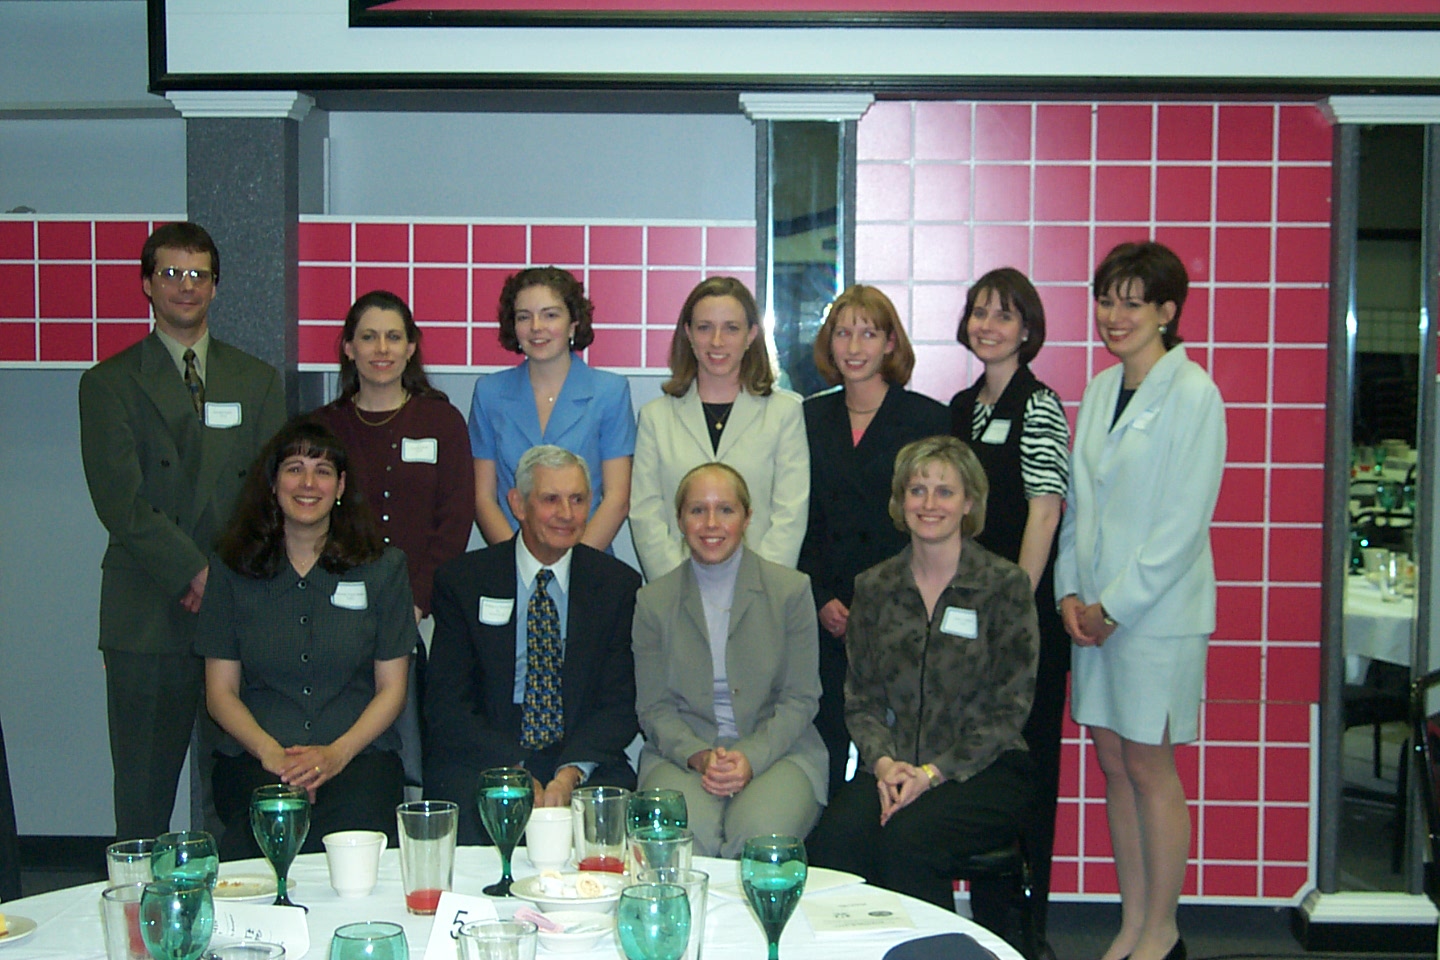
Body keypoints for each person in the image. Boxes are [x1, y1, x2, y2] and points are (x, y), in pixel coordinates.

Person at [79, 222, 285, 839]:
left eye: (198, 275)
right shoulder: (108, 383)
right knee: (143, 795)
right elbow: (122, 503)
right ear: (146, 284)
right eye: (170, 273)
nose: (185, 287)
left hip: (239, 607)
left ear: (216, 287)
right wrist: (192, 572)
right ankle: (138, 924)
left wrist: (221, 578)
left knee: (238, 789)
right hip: (148, 609)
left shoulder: (257, 380)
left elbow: (274, 496)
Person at [1057, 241, 1225, 960]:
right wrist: (1069, 591)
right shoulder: (1098, 391)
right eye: (1106, 299)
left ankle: (1163, 929)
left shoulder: (1195, 394)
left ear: (1167, 311)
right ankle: (1131, 922)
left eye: (1132, 301)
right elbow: (1077, 504)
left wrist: (1116, 605)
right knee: (1115, 765)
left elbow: (1183, 525)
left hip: (1158, 620)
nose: (1114, 315)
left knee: (1152, 768)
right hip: (1092, 619)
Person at [807, 436, 1038, 923]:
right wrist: (887, 764)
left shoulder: (1005, 586)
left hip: (984, 771)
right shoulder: (874, 587)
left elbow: (1010, 708)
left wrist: (931, 775)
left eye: (945, 492)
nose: (929, 504)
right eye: (917, 490)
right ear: (900, 501)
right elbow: (861, 700)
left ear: (969, 502)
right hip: (891, 768)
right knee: (834, 840)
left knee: (908, 840)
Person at [195, 418, 416, 858]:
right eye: (294, 468)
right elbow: (220, 693)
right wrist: (274, 756)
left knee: (354, 843)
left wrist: (335, 755)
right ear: (273, 482)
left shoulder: (383, 568)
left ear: (341, 486)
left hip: (358, 757)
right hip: (257, 760)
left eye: (323, 471)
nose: (308, 483)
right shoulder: (230, 569)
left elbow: (392, 690)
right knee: (269, 827)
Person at [423, 445, 641, 845]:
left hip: (578, 752)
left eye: (578, 500)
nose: (566, 513)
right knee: (465, 805)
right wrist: (514, 769)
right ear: (517, 504)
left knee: (611, 813)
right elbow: (447, 705)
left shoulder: (616, 586)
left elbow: (620, 703)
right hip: (488, 752)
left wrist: (568, 775)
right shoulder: (465, 582)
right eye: (550, 499)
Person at [948, 267, 1071, 942]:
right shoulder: (963, 407)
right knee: (976, 763)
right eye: (979, 313)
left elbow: (1045, 513)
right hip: (967, 618)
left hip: (1022, 625)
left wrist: (1014, 609)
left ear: (1027, 329)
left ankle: (1027, 932)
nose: (987, 326)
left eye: (1003, 315)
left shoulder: (1040, 404)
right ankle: (985, 925)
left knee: (1027, 772)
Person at [311, 290, 474, 787]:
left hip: (422, 612)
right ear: (347, 348)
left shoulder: (441, 421)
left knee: (421, 746)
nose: (381, 348)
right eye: (368, 337)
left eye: (393, 336)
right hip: (339, 606)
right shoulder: (324, 426)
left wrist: (415, 601)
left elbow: (455, 518)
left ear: (411, 348)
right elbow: (307, 518)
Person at [799, 285, 949, 800]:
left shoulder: (928, 420)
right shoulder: (807, 418)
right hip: (824, 617)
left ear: (890, 342)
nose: (854, 345)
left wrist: (877, 602)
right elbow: (800, 519)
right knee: (822, 750)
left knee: (890, 756)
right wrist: (820, 599)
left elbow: (935, 523)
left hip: (903, 616)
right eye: (843, 332)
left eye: (868, 332)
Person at [633, 463, 827, 858]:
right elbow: (653, 709)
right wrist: (701, 756)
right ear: (680, 520)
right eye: (697, 510)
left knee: (758, 840)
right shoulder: (652, 601)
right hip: (682, 756)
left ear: (748, 517)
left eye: (725, 509)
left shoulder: (791, 590)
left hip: (778, 752)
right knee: (682, 841)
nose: (710, 524)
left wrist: (750, 758)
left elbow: (801, 699)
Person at [631, 277, 808, 580]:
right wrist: (679, 589)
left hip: (761, 593)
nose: (717, 341)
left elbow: (789, 516)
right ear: (687, 333)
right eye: (704, 327)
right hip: (676, 595)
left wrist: (756, 588)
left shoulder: (785, 413)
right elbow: (646, 515)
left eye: (731, 328)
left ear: (752, 334)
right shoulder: (655, 417)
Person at [468, 268, 635, 552]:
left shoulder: (610, 392)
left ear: (573, 324)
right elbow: (483, 498)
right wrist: (520, 564)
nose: (536, 327)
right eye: (524, 316)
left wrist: (574, 568)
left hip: (588, 562)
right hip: (511, 567)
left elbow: (617, 498)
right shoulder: (489, 393)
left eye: (550, 315)